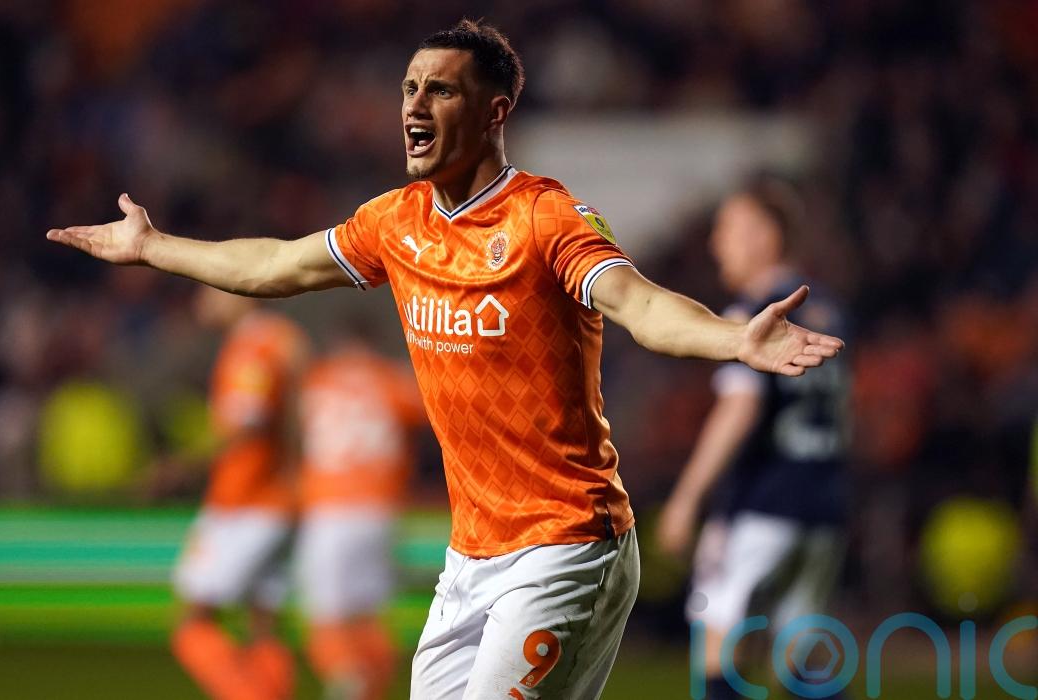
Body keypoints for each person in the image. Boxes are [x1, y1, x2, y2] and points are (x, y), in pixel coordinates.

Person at [48, 20, 843, 698]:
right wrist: (154, 247)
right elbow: (274, 265)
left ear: (495, 112)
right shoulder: (395, 223)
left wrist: (733, 338)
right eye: (408, 89)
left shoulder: (546, 219)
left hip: (565, 541)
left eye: (440, 91)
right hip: (472, 554)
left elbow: (639, 305)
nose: (414, 106)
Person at [656, 180, 850, 700]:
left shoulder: (754, 314)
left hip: (762, 503)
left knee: (719, 650)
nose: (717, 242)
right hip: (822, 503)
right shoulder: (829, 309)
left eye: (729, 229)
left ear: (766, 236)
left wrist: (687, 497)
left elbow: (739, 408)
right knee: (800, 659)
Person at [168, 286, 309, 700]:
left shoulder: (253, 346)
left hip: (244, 501)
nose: (201, 300)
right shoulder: (282, 338)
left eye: (208, 291)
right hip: (280, 499)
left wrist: (181, 465)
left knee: (193, 621)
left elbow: (247, 422)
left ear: (239, 294)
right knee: (264, 623)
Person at [295, 327, 424, 700]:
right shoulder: (391, 378)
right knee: (367, 612)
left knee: (324, 614)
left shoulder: (318, 379)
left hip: (329, 506)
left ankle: (347, 682)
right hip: (378, 510)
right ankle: (376, 686)